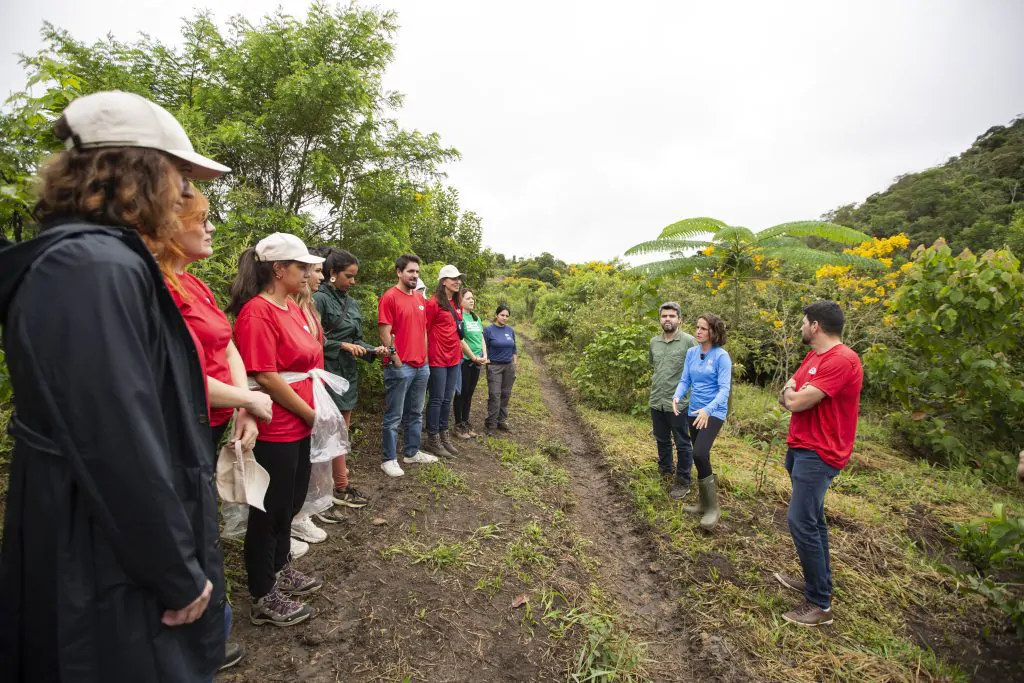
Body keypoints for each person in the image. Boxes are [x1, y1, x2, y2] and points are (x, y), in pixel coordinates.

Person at [0, 90, 230, 681]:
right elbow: (116, 442)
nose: (186, 194)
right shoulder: (90, 269)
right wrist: (175, 572)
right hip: (102, 566)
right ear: (139, 173)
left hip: (114, 553)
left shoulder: (106, 262)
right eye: (179, 175)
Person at [160, 188, 277, 671]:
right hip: (177, 427)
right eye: (201, 219)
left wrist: (241, 407)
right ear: (167, 224)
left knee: (203, 522)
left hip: (211, 419)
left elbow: (226, 348)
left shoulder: (196, 284)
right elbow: (177, 373)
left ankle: (210, 622)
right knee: (188, 526)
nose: (210, 228)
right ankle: (202, 626)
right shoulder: (157, 290)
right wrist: (248, 397)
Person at [228, 232, 325, 627]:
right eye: (300, 266)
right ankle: (263, 592)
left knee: (289, 501)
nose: (307, 272)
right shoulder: (258, 312)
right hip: (277, 426)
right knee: (267, 511)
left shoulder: (291, 307)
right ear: (278, 268)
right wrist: (308, 413)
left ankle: (282, 566)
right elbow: (265, 376)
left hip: (300, 421)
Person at [773, 300, 863, 627]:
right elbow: (787, 392)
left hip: (819, 453)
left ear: (815, 326)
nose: (800, 327)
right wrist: (791, 393)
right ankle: (817, 584)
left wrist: (791, 394)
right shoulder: (815, 357)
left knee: (800, 521)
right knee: (813, 520)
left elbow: (793, 399)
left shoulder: (843, 360)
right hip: (801, 447)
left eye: (803, 322)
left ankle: (819, 604)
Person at [312, 247, 380, 520]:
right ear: (332, 273)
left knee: (341, 433)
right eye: (349, 276)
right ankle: (321, 491)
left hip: (347, 377)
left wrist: (374, 350)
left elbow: (358, 340)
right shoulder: (318, 300)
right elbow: (313, 341)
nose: (353, 282)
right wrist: (342, 345)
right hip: (327, 375)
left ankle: (340, 486)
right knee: (325, 434)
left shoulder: (350, 304)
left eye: (355, 277)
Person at [378, 254, 440, 477]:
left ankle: (411, 453)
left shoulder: (418, 299)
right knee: (394, 415)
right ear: (399, 272)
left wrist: (424, 358)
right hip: (400, 365)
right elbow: (385, 331)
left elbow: (423, 330)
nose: (415, 275)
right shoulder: (390, 297)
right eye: (410, 271)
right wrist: (395, 359)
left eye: (417, 272)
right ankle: (389, 459)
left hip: (420, 365)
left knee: (416, 412)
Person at [673, 314, 731, 531]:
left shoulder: (721, 356)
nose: (698, 331)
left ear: (713, 332)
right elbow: (685, 379)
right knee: (701, 456)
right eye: (697, 327)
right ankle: (702, 503)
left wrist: (708, 410)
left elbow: (724, 390)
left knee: (699, 452)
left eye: (703, 328)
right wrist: (677, 396)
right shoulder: (691, 353)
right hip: (694, 410)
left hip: (713, 412)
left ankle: (713, 508)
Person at [288, 259, 331, 546]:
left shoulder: (309, 306)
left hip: (312, 388)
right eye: (316, 271)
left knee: (310, 458)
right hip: (296, 395)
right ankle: (293, 518)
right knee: (293, 464)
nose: (320, 276)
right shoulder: (290, 306)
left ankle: (301, 512)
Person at [649, 302, 697, 499]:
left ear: (680, 320)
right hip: (657, 400)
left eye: (671, 316)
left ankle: (683, 480)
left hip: (679, 403)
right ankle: (665, 471)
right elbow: (654, 367)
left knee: (682, 443)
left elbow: (698, 371)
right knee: (661, 439)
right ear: (660, 319)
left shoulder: (689, 342)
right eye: (664, 316)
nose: (667, 319)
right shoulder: (654, 342)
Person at [423, 265, 465, 458]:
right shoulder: (433, 303)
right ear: (443, 282)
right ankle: (432, 438)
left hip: (454, 357)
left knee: (448, 398)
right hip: (438, 358)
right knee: (437, 399)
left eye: (458, 278)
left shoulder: (457, 304)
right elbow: (426, 329)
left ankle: (443, 434)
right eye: (453, 278)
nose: (457, 281)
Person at [453, 288, 489, 438]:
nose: (471, 300)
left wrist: (484, 355)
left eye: (472, 298)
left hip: (477, 361)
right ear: (460, 300)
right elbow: (460, 341)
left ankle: (466, 422)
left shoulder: (476, 318)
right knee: (461, 393)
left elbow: (481, 338)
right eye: (468, 298)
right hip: (465, 360)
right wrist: (473, 357)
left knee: (470, 393)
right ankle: (458, 425)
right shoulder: (459, 317)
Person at [484, 305, 518, 436]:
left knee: (506, 394)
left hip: (509, 366)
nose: (504, 318)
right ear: (497, 315)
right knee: (494, 394)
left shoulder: (510, 330)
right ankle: (491, 423)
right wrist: (486, 361)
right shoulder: (489, 330)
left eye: (507, 316)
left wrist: (514, 363)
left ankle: (501, 421)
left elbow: (514, 348)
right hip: (495, 366)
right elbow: (484, 347)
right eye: (502, 315)